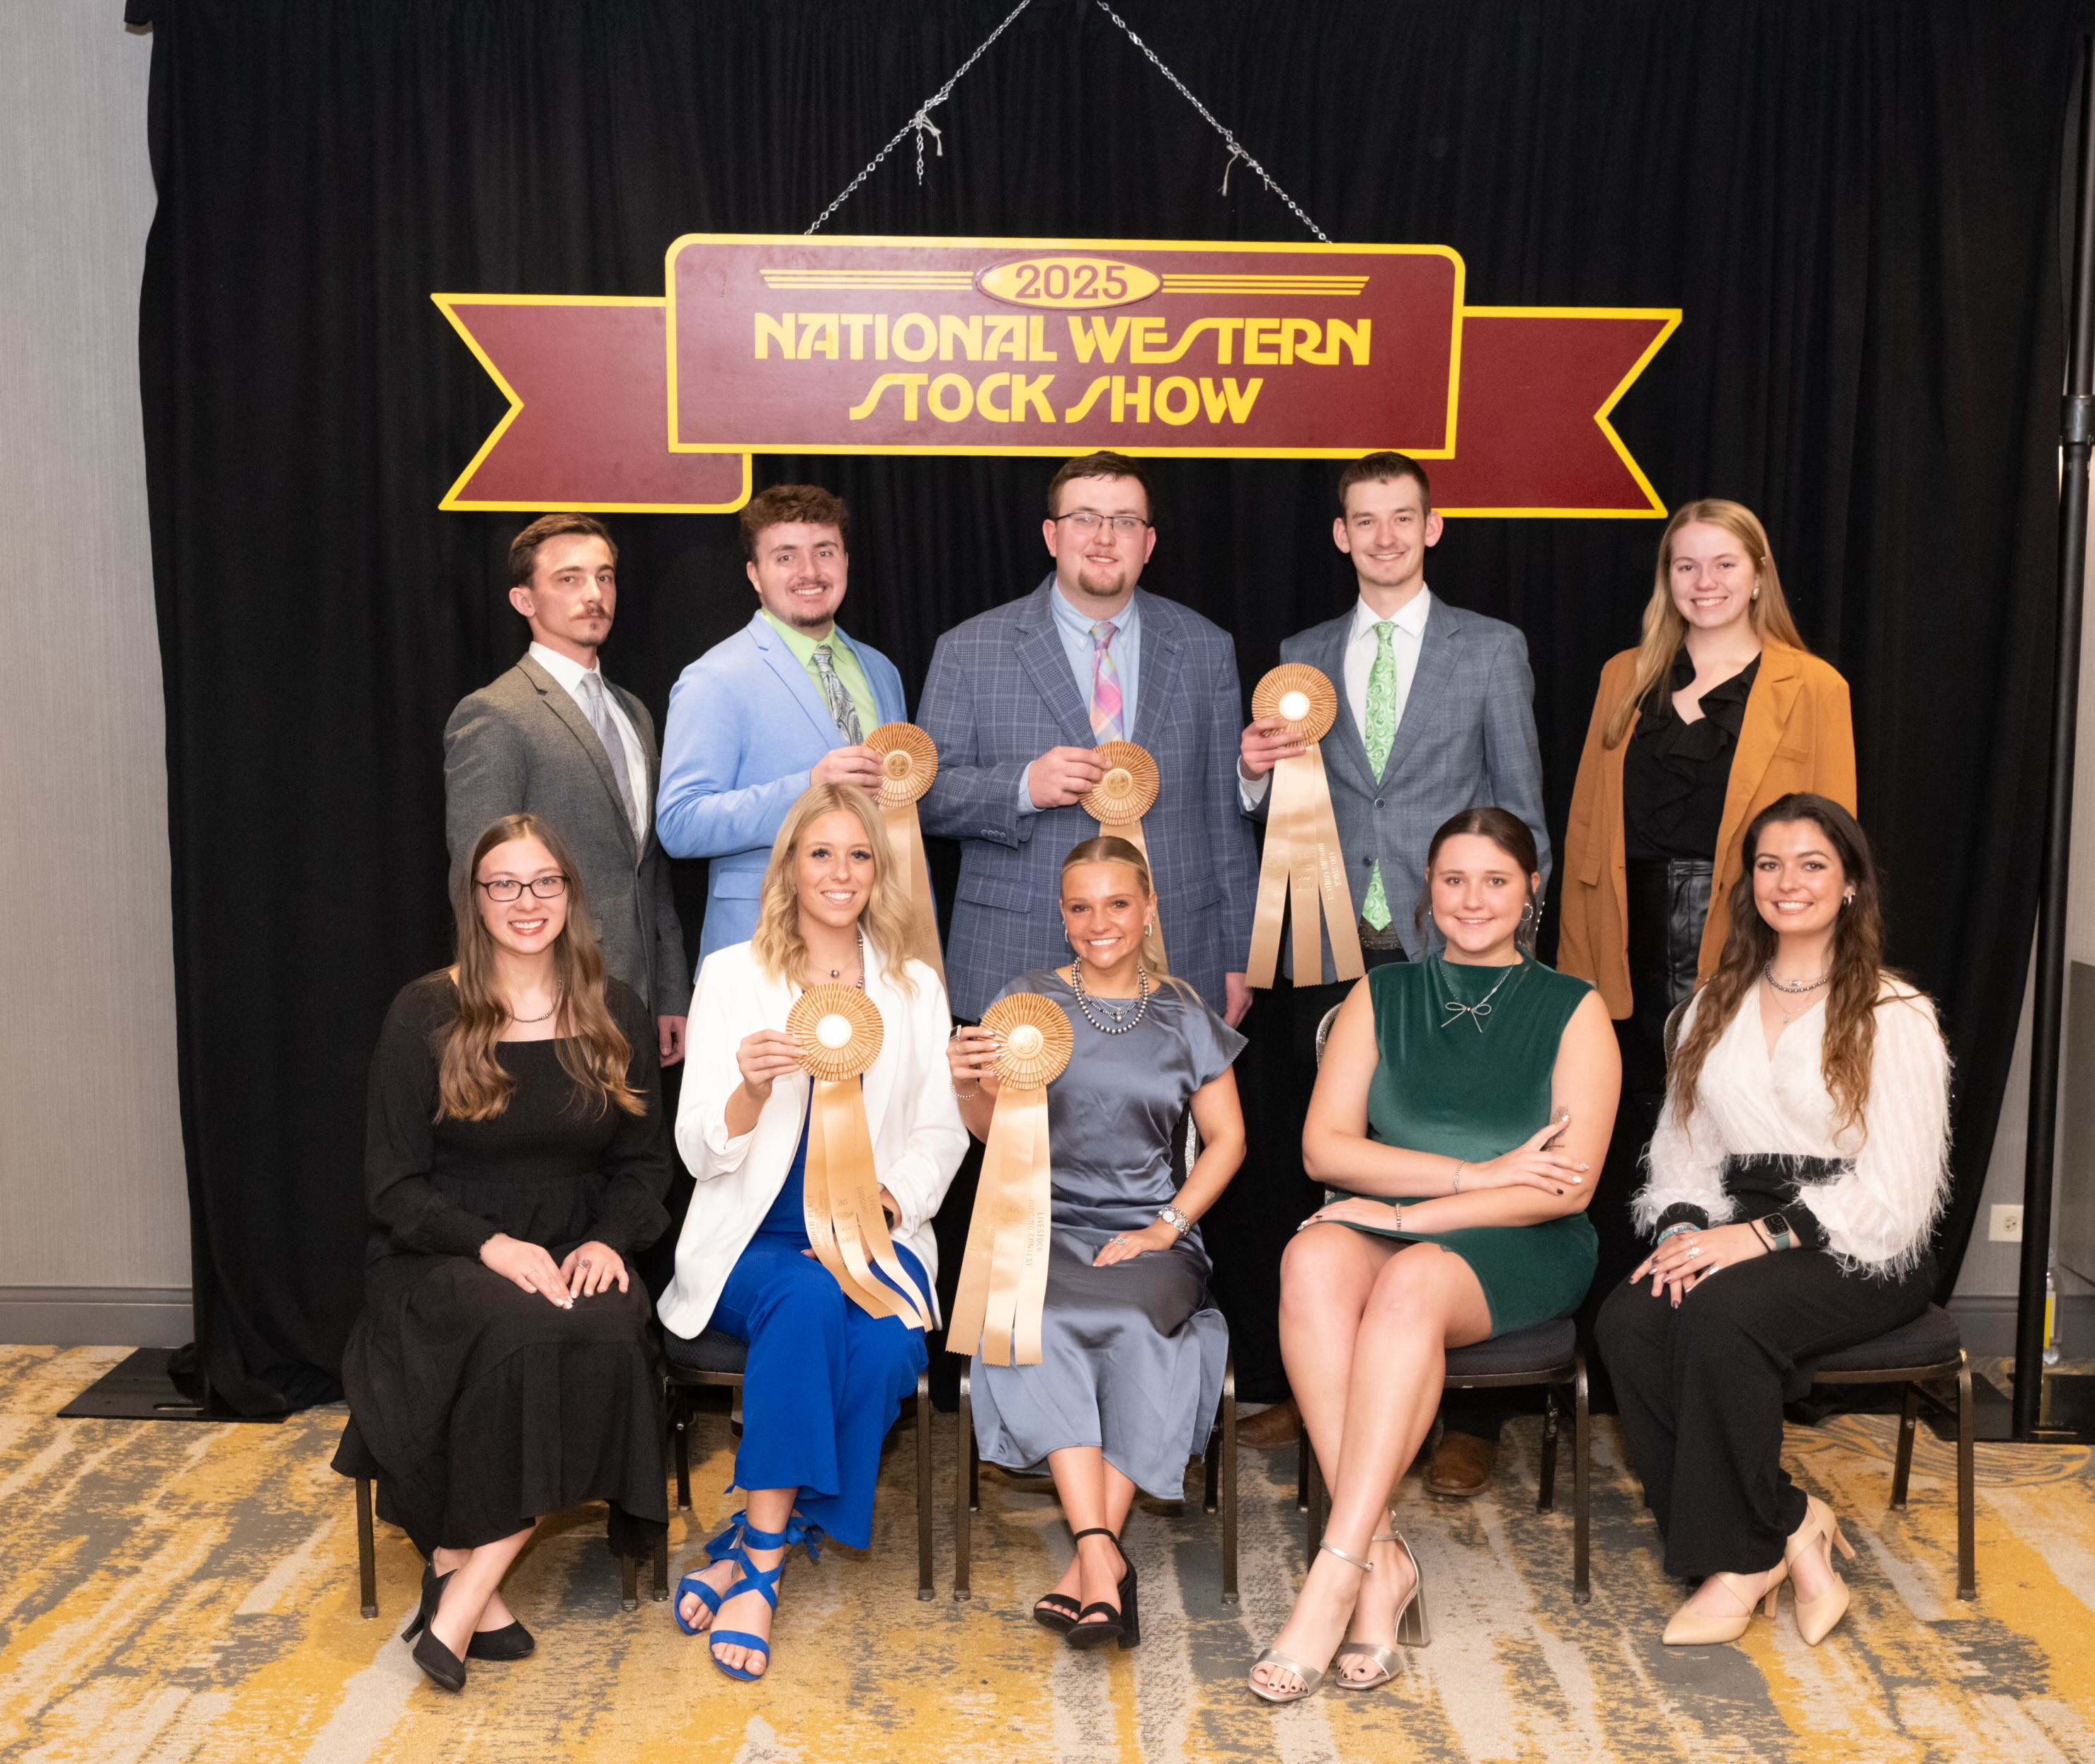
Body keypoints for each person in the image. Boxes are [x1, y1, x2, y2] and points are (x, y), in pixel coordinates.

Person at [1232, 450, 1553, 1494]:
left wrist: (1518, 963)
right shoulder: (1302, 652)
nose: (1381, 535)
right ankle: (1316, 1366)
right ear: (1339, 534)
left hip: (1450, 941)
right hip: (1324, 939)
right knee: (1327, 1153)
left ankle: (1472, 1408)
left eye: (1400, 517)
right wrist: (1250, 773)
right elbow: (1280, 806)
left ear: (1432, 526)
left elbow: (1520, 811)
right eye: (1362, 519)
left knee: (1461, 1147)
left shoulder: (1490, 648)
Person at [1249, 808, 1619, 1702]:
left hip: (1521, 1237)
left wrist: (1416, 1215)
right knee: (1309, 1263)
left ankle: (1335, 1571)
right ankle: (1379, 1557)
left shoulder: (1573, 1008)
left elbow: (1562, 1186)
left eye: (1495, 879)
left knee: (1409, 1280)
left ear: (1530, 890)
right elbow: (1323, 1151)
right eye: (1452, 879)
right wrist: (1465, 1171)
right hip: (1404, 1212)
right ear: (1427, 889)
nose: (1471, 899)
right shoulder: (1383, 995)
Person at [1595, 794, 1949, 1649]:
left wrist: (1754, 1238)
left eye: (1811, 863)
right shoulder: (1706, 1007)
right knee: (1630, 1319)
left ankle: (1741, 1560)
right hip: (1736, 1221)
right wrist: (1685, 1230)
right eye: (1767, 864)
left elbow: (1895, 1193)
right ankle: (1788, 1521)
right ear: (1746, 882)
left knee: (1722, 1314)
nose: (1786, 882)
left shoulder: (1893, 1014)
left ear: (1852, 884)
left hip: (1859, 1239)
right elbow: (1683, 1153)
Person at [333, 814, 672, 1694]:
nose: (526, 902)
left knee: (598, 1327)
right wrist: (490, 1245)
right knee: (521, 1332)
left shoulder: (617, 1007)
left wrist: (606, 1240)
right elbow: (392, 1186)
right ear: (475, 900)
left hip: (581, 1244)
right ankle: (466, 1578)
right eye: (504, 885)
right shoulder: (426, 1010)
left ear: (571, 892)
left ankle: (464, 1575)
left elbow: (644, 1167)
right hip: (443, 1252)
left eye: (544, 882)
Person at [657, 784, 968, 1680]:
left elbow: (943, 1132)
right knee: (802, 1290)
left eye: (859, 855)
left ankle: (754, 1537)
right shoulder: (730, 975)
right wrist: (749, 1090)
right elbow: (697, 1151)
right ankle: (763, 1565)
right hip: (755, 1241)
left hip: (874, 1237)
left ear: (881, 871)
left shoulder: (914, 987)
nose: (840, 873)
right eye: (820, 853)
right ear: (788, 865)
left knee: (879, 1353)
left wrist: (893, 1202)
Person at [1558, 499, 1855, 1319]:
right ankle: (1618, 1334)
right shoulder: (1624, 675)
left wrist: (1803, 964)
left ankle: (1727, 1332)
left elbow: (1826, 846)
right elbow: (1587, 823)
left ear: (1758, 573)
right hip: (1625, 939)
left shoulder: (1812, 684)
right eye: (1684, 565)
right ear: (1666, 579)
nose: (1704, 581)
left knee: (1727, 1128)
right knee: (1627, 1135)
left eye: (1723, 563)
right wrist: (1577, 966)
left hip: (1744, 936)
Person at [947, 837, 1245, 1650]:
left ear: (1147, 908)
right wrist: (966, 1079)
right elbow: (985, 1132)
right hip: (1041, 1230)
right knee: (1033, 1318)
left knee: (1133, 1324)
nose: (1098, 922)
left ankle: (1087, 1561)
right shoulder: (1025, 1002)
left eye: (1117, 903)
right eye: (1079, 906)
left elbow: (1227, 1142)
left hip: (1154, 1238)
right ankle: (1101, 1557)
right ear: (1061, 914)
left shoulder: (1186, 1014)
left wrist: (1165, 1227)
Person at [916, 452, 1256, 1025]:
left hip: (1175, 949)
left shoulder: (1204, 647)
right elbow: (925, 795)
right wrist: (1023, 786)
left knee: (1166, 1118)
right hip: (1015, 951)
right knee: (1019, 1119)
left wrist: (1238, 950)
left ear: (1148, 543)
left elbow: (1222, 813)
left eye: (1125, 521)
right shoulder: (969, 648)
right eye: (1084, 518)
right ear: (1052, 535)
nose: (1104, 537)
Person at [445, 514, 690, 1065]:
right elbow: (475, 875)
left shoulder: (635, 712)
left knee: (634, 1152)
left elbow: (648, 867)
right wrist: (503, 1002)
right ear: (523, 600)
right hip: (544, 1001)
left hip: (639, 999)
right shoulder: (495, 714)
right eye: (569, 579)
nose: (594, 594)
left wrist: (671, 990)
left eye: (604, 577)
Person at [656, 484, 908, 961]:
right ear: (755, 574)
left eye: (824, 552)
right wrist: (809, 787)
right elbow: (680, 823)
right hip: (763, 952)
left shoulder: (880, 671)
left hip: (878, 947)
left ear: (846, 561)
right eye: (785, 557)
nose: (809, 572)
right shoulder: (714, 678)